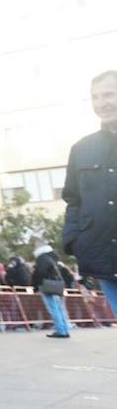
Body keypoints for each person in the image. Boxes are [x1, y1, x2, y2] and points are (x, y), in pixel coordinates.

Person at [62, 71, 117, 315]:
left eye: (109, 95)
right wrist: (74, 240)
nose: (101, 103)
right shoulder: (82, 149)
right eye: (95, 97)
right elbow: (73, 200)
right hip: (104, 257)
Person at [32, 243, 73, 339]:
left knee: (53, 308)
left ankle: (60, 330)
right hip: (56, 284)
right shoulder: (53, 258)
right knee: (59, 308)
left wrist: (35, 285)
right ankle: (65, 330)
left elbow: (40, 273)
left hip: (47, 285)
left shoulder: (42, 258)